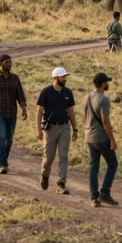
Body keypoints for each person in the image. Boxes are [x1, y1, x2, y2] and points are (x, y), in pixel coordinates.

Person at [36, 66, 78, 194]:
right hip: (51, 128)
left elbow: (71, 111)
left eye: (65, 77)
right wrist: (38, 129)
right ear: (55, 78)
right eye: (62, 77)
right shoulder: (46, 92)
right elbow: (39, 111)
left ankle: (61, 183)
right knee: (49, 157)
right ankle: (45, 174)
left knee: (64, 156)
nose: (65, 79)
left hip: (65, 127)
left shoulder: (68, 92)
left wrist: (75, 129)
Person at [0, 54, 28, 174]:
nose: (9, 65)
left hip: (12, 113)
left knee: (9, 140)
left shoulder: (15, 78)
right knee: (2, 137)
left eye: (10, 62)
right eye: (7, 63)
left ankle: (4, 159)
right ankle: (2, 163)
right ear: (0, 64)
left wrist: (24, 109)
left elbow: (20, 95)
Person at [84, 71, 119, 207]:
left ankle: (94, 197)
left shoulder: (87, 97)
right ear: (103, 84)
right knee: (113, 164)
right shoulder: (103, 99)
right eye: (106, 82)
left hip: (89, 136)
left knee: (94, 166)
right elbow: (105, 122)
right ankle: (105, 192)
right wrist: (112, 140)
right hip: (101, 137)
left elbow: (84, 117)